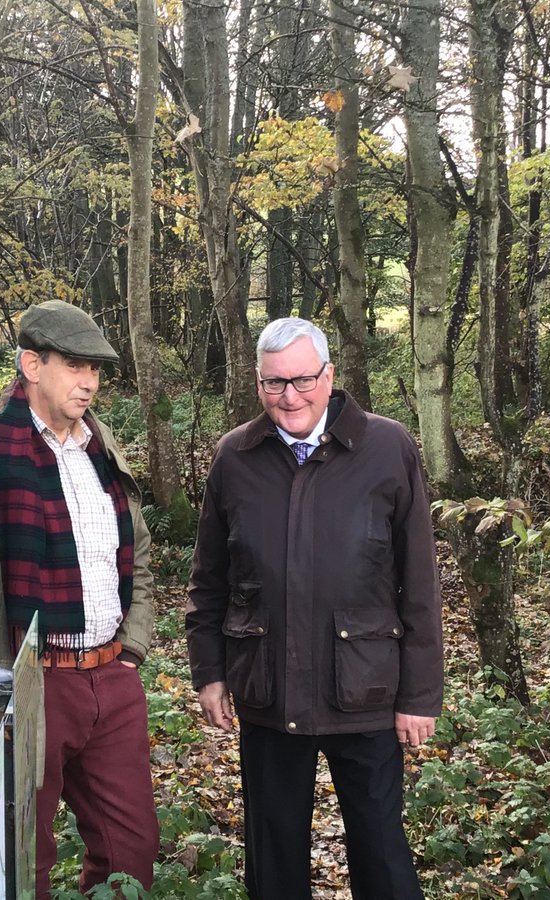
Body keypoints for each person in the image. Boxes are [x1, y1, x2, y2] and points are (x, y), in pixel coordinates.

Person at [186, 317, 443, 900]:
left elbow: (419, 582)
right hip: (268, 690)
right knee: (273, 855)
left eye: (303, 379)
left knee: (382, 852)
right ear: (258, 382)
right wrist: (210, 671)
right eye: (275, 382)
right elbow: (209, 581)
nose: (290, 396)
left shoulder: (387, 447)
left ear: (328, 377)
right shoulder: (235, 456)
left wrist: (419, 695)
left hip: (365, 691)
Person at [0, 300, 158, 898]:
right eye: (75, 366)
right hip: (23, 680)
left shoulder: (99, 443)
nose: (90, 382)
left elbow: (136, 551)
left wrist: (132, 649)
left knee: (131, 849)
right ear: (32, 365)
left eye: (96, 369)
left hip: (110, 676)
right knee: (20, 858)